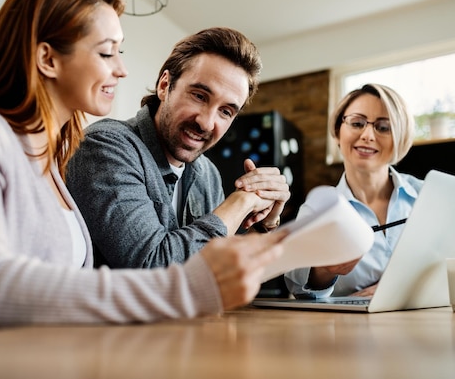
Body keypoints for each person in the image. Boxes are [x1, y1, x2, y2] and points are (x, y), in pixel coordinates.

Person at [0, 0, 286, 339]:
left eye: (120, 51)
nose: (123, 70)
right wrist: (183, 284)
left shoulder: (49, 154)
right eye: (107, 52)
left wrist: (264, 225)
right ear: (48, 58)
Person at [65, 27, 291, 269]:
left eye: (225, 111)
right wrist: (239, 203)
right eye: (199, 96)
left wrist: (265, 222)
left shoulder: (208, 174)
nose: (206, 122)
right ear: (165, 85)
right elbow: (154, 269)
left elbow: (221, 272)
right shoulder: (104, 146)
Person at [284, 83, 421, 298]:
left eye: (383, 127)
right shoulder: (319, 209)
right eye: (357, 123)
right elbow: (298, 289)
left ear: (400, 138)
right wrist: (324, 271)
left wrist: (407, 289)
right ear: (338, 132)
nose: (367, 135)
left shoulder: (430, 195)